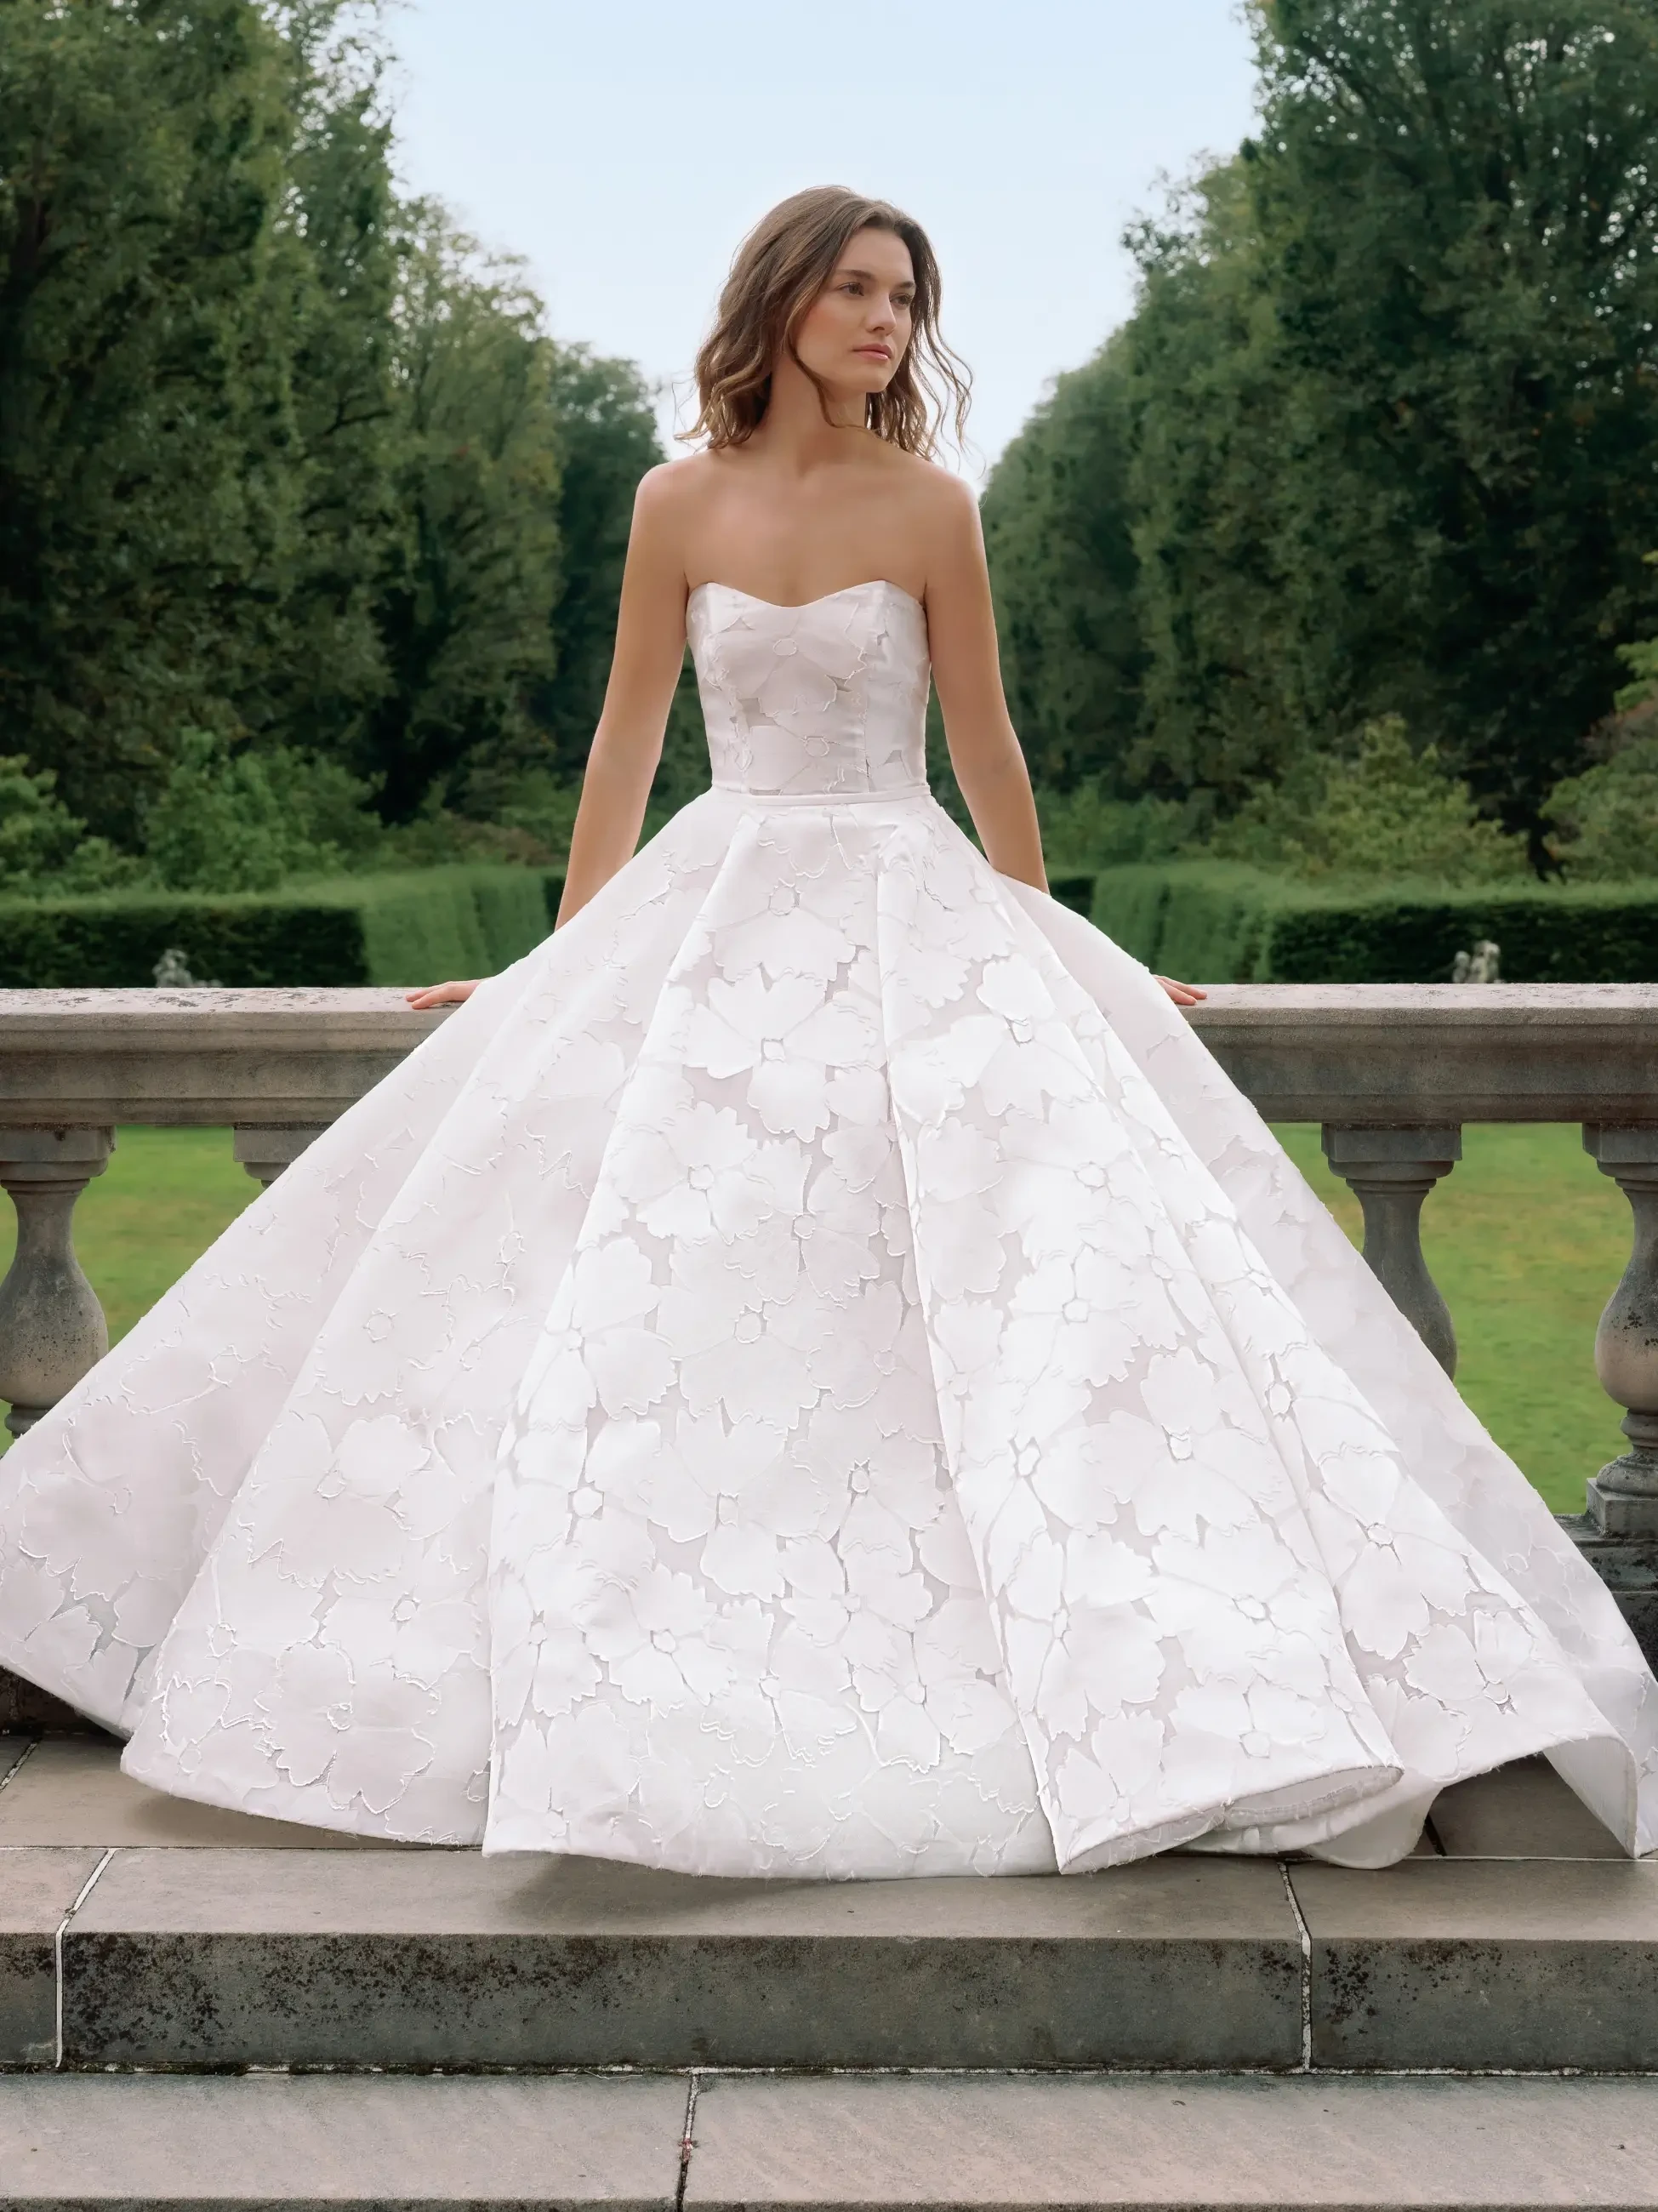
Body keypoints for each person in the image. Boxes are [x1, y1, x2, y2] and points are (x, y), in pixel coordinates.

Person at [1, 187, 1653, 1876]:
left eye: (903, 298)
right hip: (715, 889)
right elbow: (623, 746)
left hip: (896, 891)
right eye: (856, 289)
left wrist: (1049, 930)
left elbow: (985, 747)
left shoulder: (931, 505)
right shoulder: (672, 501)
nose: (885, 321)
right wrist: (559, 961)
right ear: (780, 300)